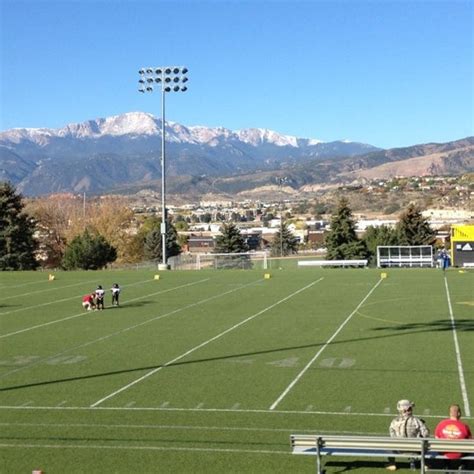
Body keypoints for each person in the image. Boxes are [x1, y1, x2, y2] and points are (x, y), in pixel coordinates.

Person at [386, 400, 429, 471]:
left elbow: (392, 436)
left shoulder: (394, 422)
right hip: (416, 449)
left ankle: (392, 463)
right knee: (425, 443)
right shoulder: (416, 421)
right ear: (409, 409)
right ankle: (424, 464)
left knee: (389, 444)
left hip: (400, 449)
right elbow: (426, 433)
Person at [435, 404, 472, 470]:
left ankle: (446, 464)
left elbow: (436, 437)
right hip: (459, 452)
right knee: (469, 448)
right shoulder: (464, 426)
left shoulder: (441, 424)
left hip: (444, 451)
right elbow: (470, 440)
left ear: (450, 413)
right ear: (459, 413)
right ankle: (463, 464)